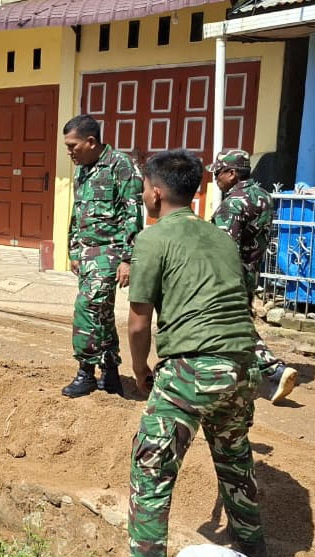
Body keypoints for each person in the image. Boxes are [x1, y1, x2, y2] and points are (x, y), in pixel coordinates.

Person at [127, 150, 265, 557]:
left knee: (152, 469)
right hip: (243, 365)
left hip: (194, 365)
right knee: (235, 461)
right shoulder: (220, 236)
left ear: (154, 192)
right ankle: (253, 547)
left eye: (143, 188)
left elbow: (138, 323)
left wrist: (140, 372)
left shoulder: (153, 238)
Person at [62, 115, 143, 398]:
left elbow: (133, 212)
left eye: (73, 146)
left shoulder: (121, 166)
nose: (69, 152)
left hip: (109, 253)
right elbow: (78, 212)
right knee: (102, 314)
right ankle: (110, 374)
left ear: (91, 141)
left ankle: (85, 371)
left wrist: (126, 258)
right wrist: (73, 250)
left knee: (87, 309)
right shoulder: (83, 169)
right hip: (86, 254)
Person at [209, 149, 298, 404]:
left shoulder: (233, 203)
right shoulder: (264, 197)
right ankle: (239, 374)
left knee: (236, 326)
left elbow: (224, 249)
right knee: (234, 325)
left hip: (231, 275)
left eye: (218, 173)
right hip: (251, 272)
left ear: (232, 173)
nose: (216, 178)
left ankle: (273, 370)